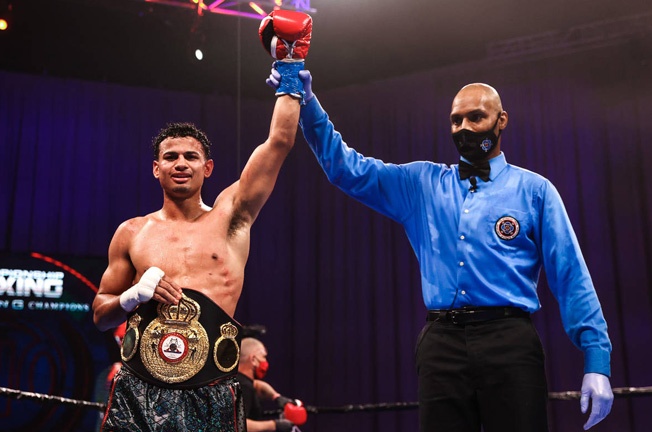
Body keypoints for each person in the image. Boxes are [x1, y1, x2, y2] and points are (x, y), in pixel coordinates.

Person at [267, 69, 614, 431]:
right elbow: (345, 168)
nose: (464, 127)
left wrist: (596, 359)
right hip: (441, 345)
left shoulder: (535, 191)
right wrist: (306, 103)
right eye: (455, 119)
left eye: (476, 117)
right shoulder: (421, 184)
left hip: (509, 341)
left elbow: (571, 276)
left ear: (501, 120)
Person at [91, 10, 312, 430]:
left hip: (211, 392)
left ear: (207, 168)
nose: (180, 164)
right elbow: (100, 313)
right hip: (136, 394)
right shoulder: (132, 232)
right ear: (155, 168)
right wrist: (132, 296)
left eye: (191, 157)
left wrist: (290, 66)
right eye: (170, 157)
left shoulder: (232, 217)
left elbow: (280, 141)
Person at [237, 337, 305, 432]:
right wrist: (274, 425)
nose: (265, 362)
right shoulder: (243, 386)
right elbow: (237, 424)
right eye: (263, 357)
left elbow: (257, 386)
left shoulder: (238, 381)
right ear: (253, 359)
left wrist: (276, 397)